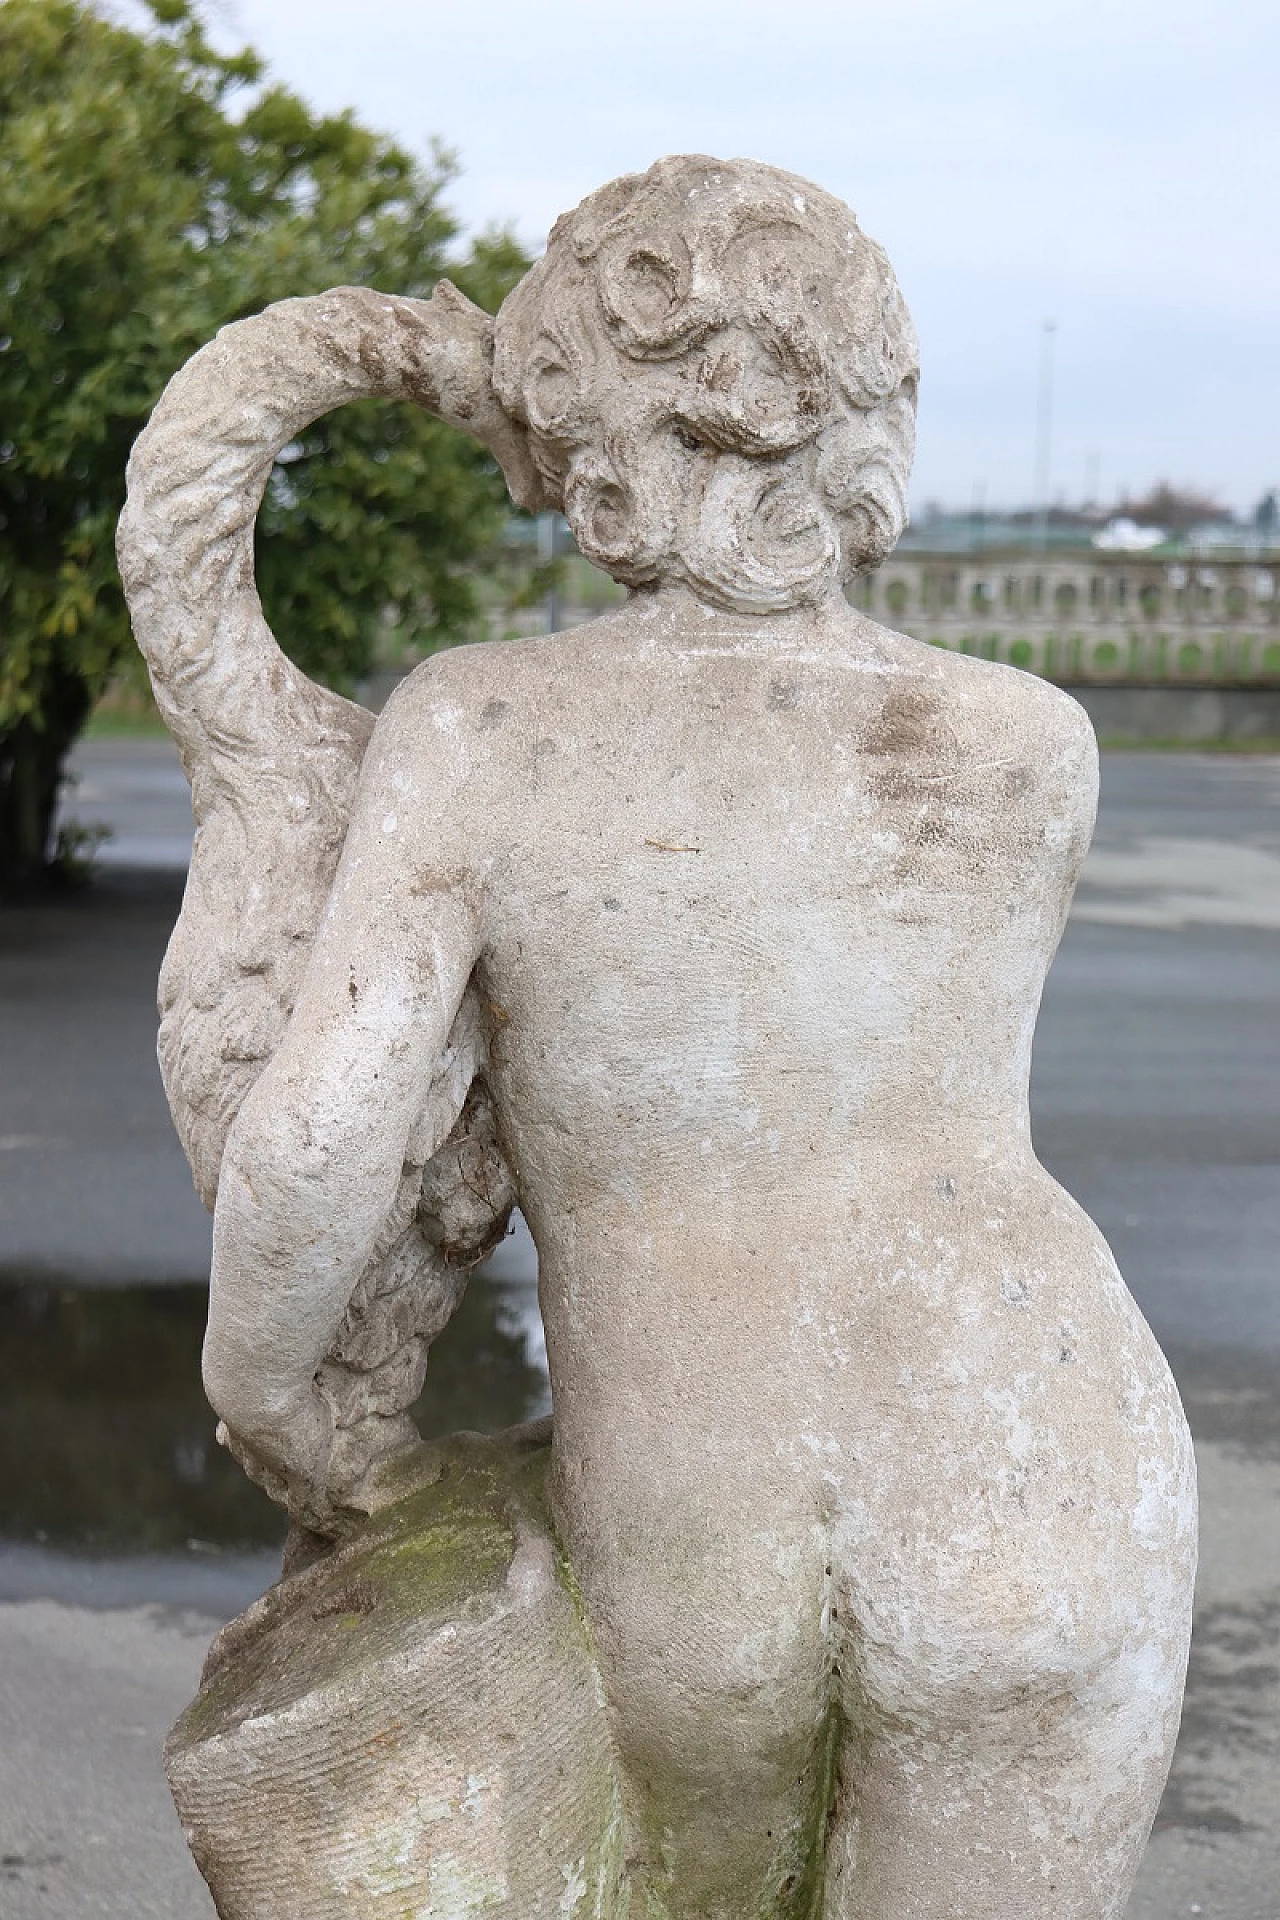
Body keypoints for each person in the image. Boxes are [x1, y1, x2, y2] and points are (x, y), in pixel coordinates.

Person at [127, 157, 1196, 1919]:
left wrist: (267, 1393)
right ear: (864, 411)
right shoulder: (1029, 746)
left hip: (700, 1502)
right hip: (1052, 1449)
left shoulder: (481, 730)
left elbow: (314, 1157)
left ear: (571, 429)